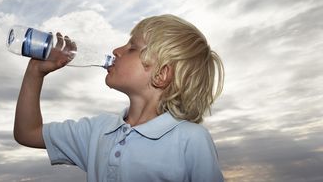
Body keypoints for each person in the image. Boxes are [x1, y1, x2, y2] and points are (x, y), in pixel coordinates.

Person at [14, 14, 225, 182]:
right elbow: (27, 133)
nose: (116, 50)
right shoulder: (98, 130)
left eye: (132, 48)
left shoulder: (191, 140)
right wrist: (36, 71)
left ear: (161, 74)